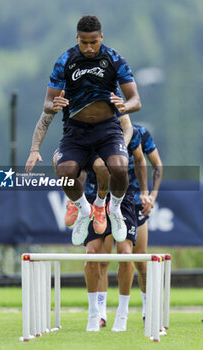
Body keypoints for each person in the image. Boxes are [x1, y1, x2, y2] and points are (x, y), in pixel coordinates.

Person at [25, 15, 141, 246]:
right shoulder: (65, 60)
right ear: (77, 38)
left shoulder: (115, 58)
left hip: (107, 128)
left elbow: (136, 99)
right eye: (84, 42)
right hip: (76, 131)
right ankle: (84, 211)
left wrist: (125, 106)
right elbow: (48, 104)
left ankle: (114, 210)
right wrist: (53, 106)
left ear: (101, 38)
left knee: (119, 166)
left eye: (93, 42)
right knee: (65, 172)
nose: (89, 47)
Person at [83, 126, 152, 332]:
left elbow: (143, 160)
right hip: (94, 197)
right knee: (95, 255)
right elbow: (76, 168)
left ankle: (123, 313)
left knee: (127, 253)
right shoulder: (84, 127)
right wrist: (75, 201)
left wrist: (147, 192)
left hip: (124, 198)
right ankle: (96, 313)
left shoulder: (130, 129)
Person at [97, 124, 163, 327]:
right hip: (105, 201)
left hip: (133, 203)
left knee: (138, 260)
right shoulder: (97, 129)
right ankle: (100, 313)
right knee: (101, 259)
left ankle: (146, 309)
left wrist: (150, 196)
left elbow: (157, 166)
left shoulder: (139, 133)